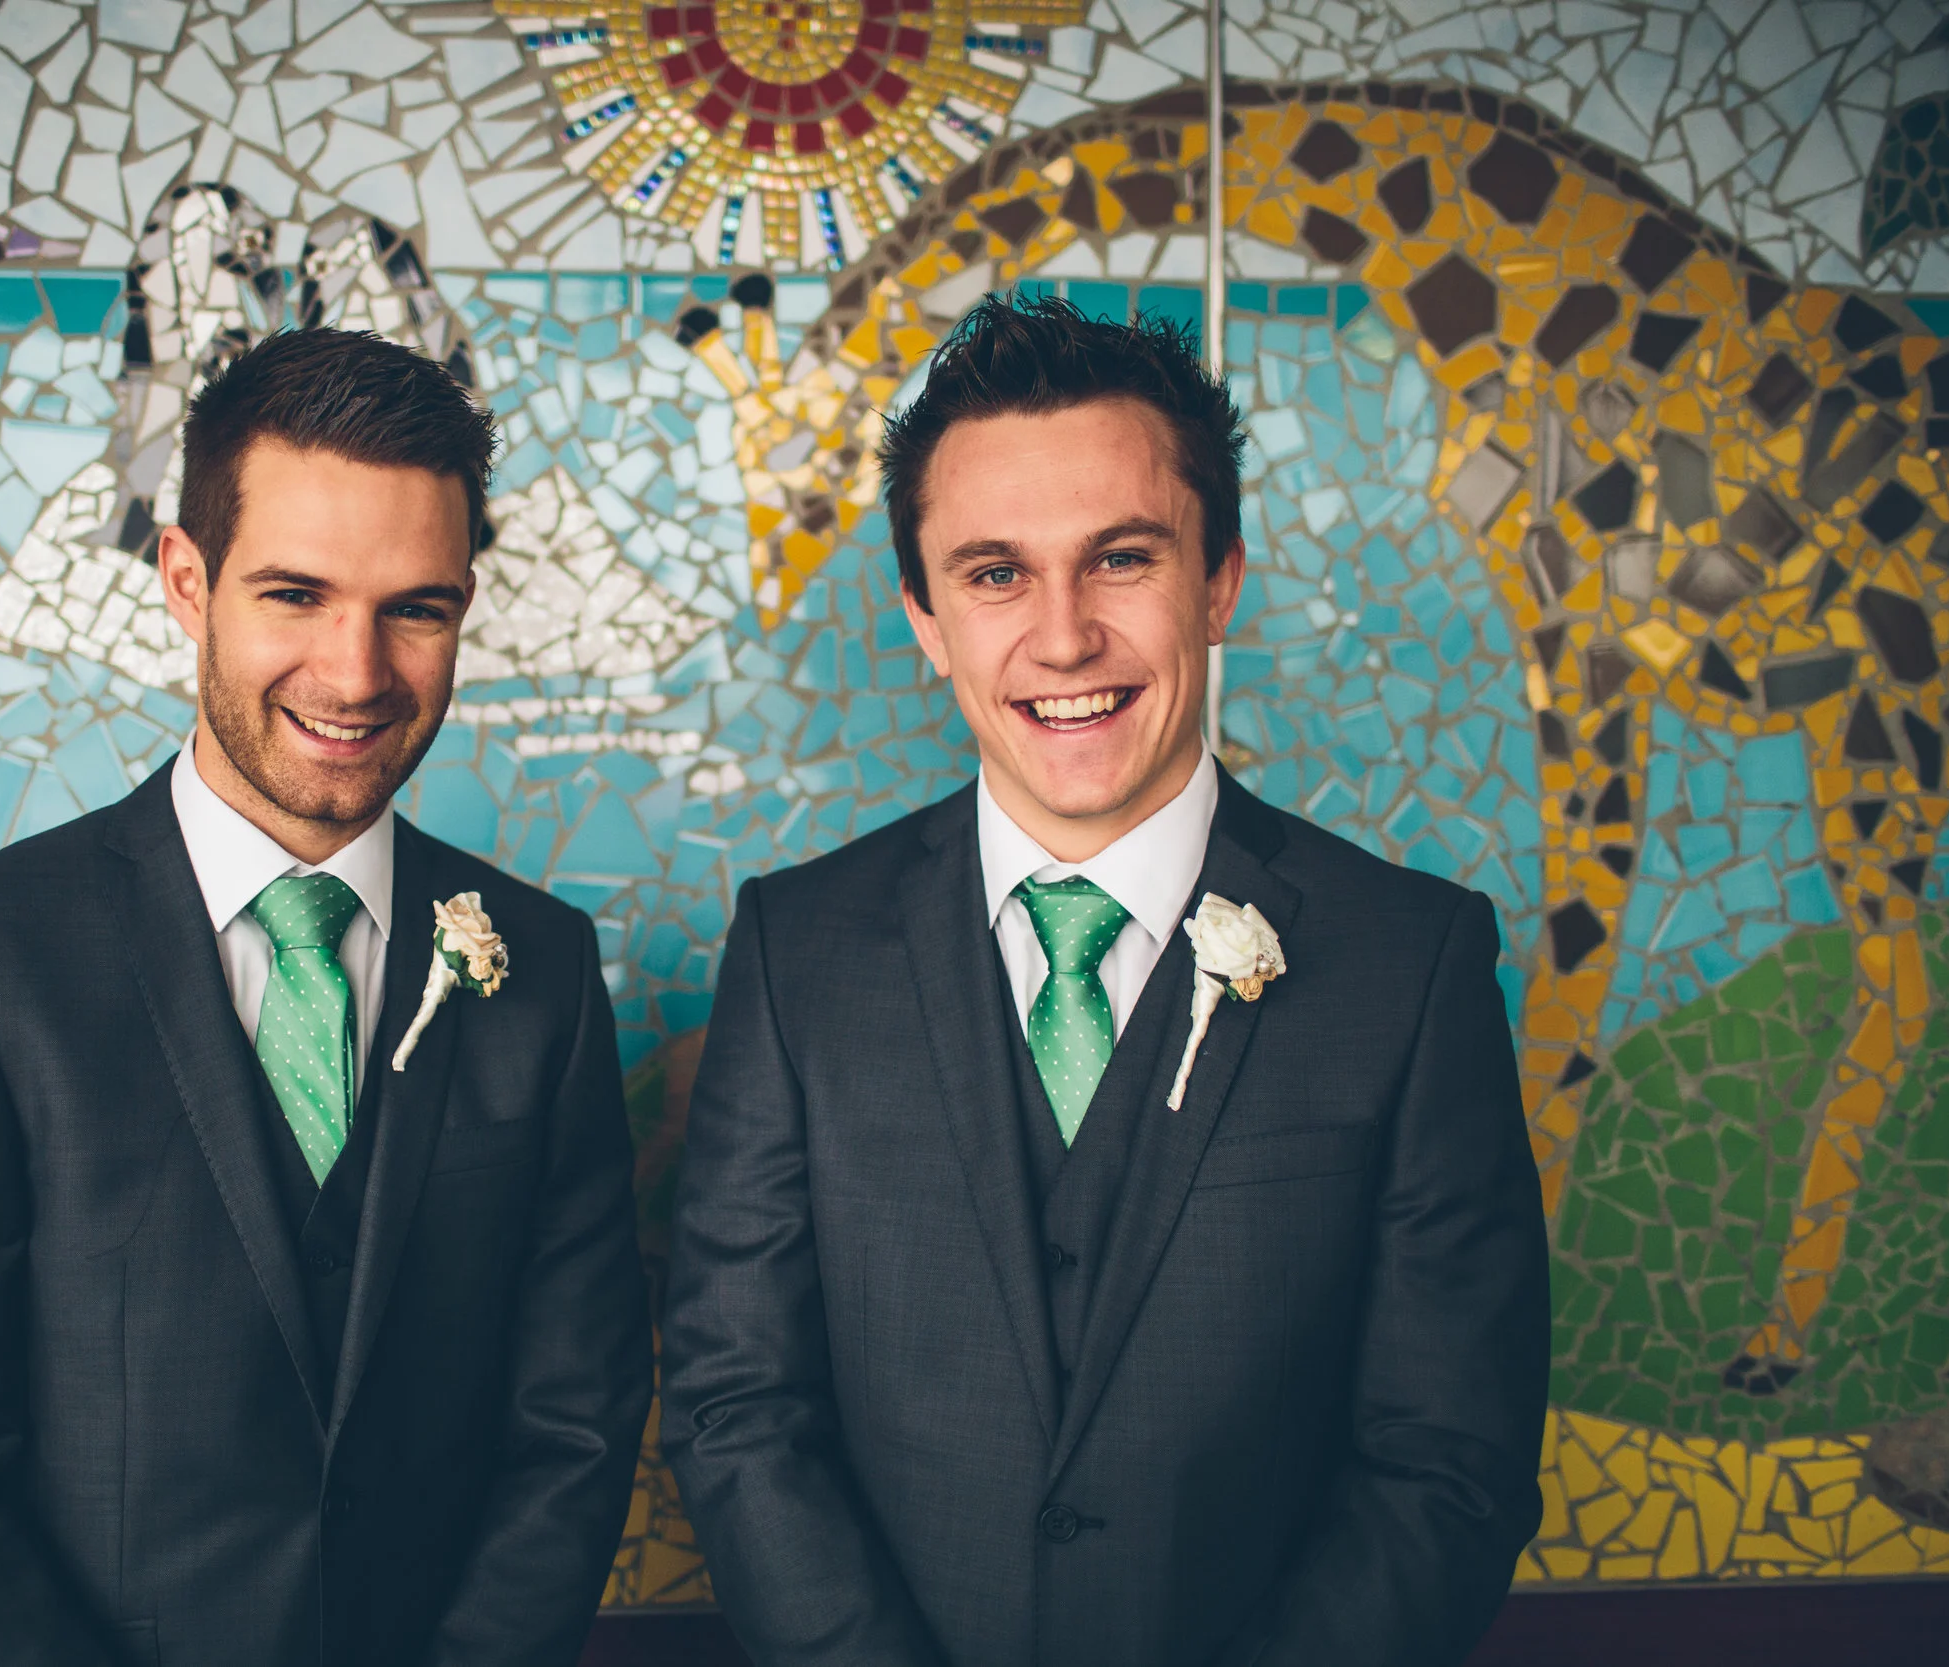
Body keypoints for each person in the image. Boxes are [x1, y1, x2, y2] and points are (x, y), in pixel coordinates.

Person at [660, 295, 1549, 1667]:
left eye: (1120, 559)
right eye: (995, 572)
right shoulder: (798, 951)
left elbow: (1449, 1461)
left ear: (1219, 582)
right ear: (925, 620)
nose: (1063, 636)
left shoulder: (1411, 962)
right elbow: (737, 1404)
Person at [0, 327, 654, 1667]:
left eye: (416, 607)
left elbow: (572, 1421)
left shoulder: (540, 968)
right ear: (185, 579)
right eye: (295, 593)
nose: (356, 671)